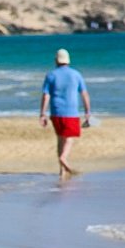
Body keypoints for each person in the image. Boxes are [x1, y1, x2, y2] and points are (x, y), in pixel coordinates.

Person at [40, 48, 92, 179]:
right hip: (71, 112)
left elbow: (46, 95)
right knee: (69, 138)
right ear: (68, 61)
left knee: (60, 139)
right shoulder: (76, 74)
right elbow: (84, 94)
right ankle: (63, 158)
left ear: (56, 60)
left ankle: (62, 171)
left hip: (56, 112)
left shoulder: (51, 75)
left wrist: (42, 113)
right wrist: (87, 112)